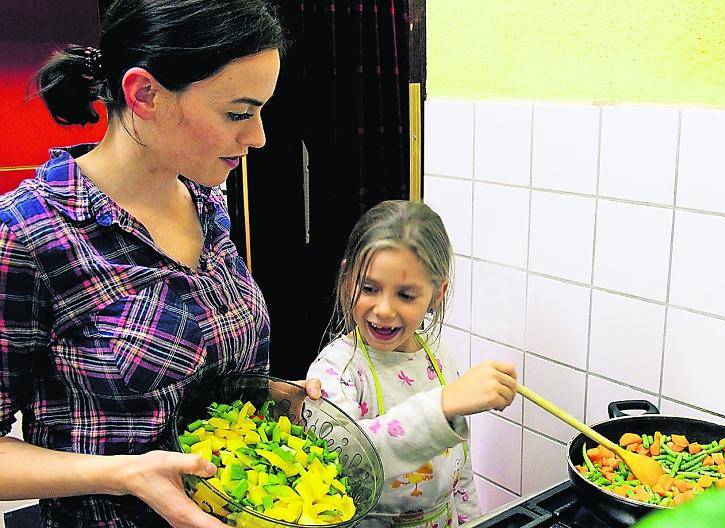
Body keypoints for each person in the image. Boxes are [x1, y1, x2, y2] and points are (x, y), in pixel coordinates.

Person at [0, 1, 321, 526]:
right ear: (144, 94)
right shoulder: (28, 232)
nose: (258, 136)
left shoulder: (207, 201)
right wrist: (124, 473)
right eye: (238, 113)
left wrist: (266, 399)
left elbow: (195, 377)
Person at [306, 200, 518, 527]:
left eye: (405, 296)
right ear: (348, 281)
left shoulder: (439, 356)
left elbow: (460, 474)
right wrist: (443, 404)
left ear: (437, 294)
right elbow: (349, 462)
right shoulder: (336, 370)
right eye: (369, 288)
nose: (384, 309)